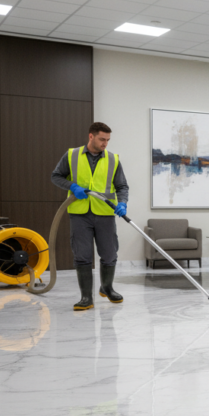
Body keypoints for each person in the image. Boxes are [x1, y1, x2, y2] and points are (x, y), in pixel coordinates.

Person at [51, 122, 129, 311]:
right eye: (102, 139)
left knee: (109, 254)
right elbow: (56, 176)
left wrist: (122, 203)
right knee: (82, 255)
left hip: (105, 213)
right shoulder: (72, 155)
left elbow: (122, 186)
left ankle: (107, 288)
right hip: (80, 214)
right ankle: (86, 297)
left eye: (108, 140)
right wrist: (72, 186)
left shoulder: (113, 159)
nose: (105, 144)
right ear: (91, 136)